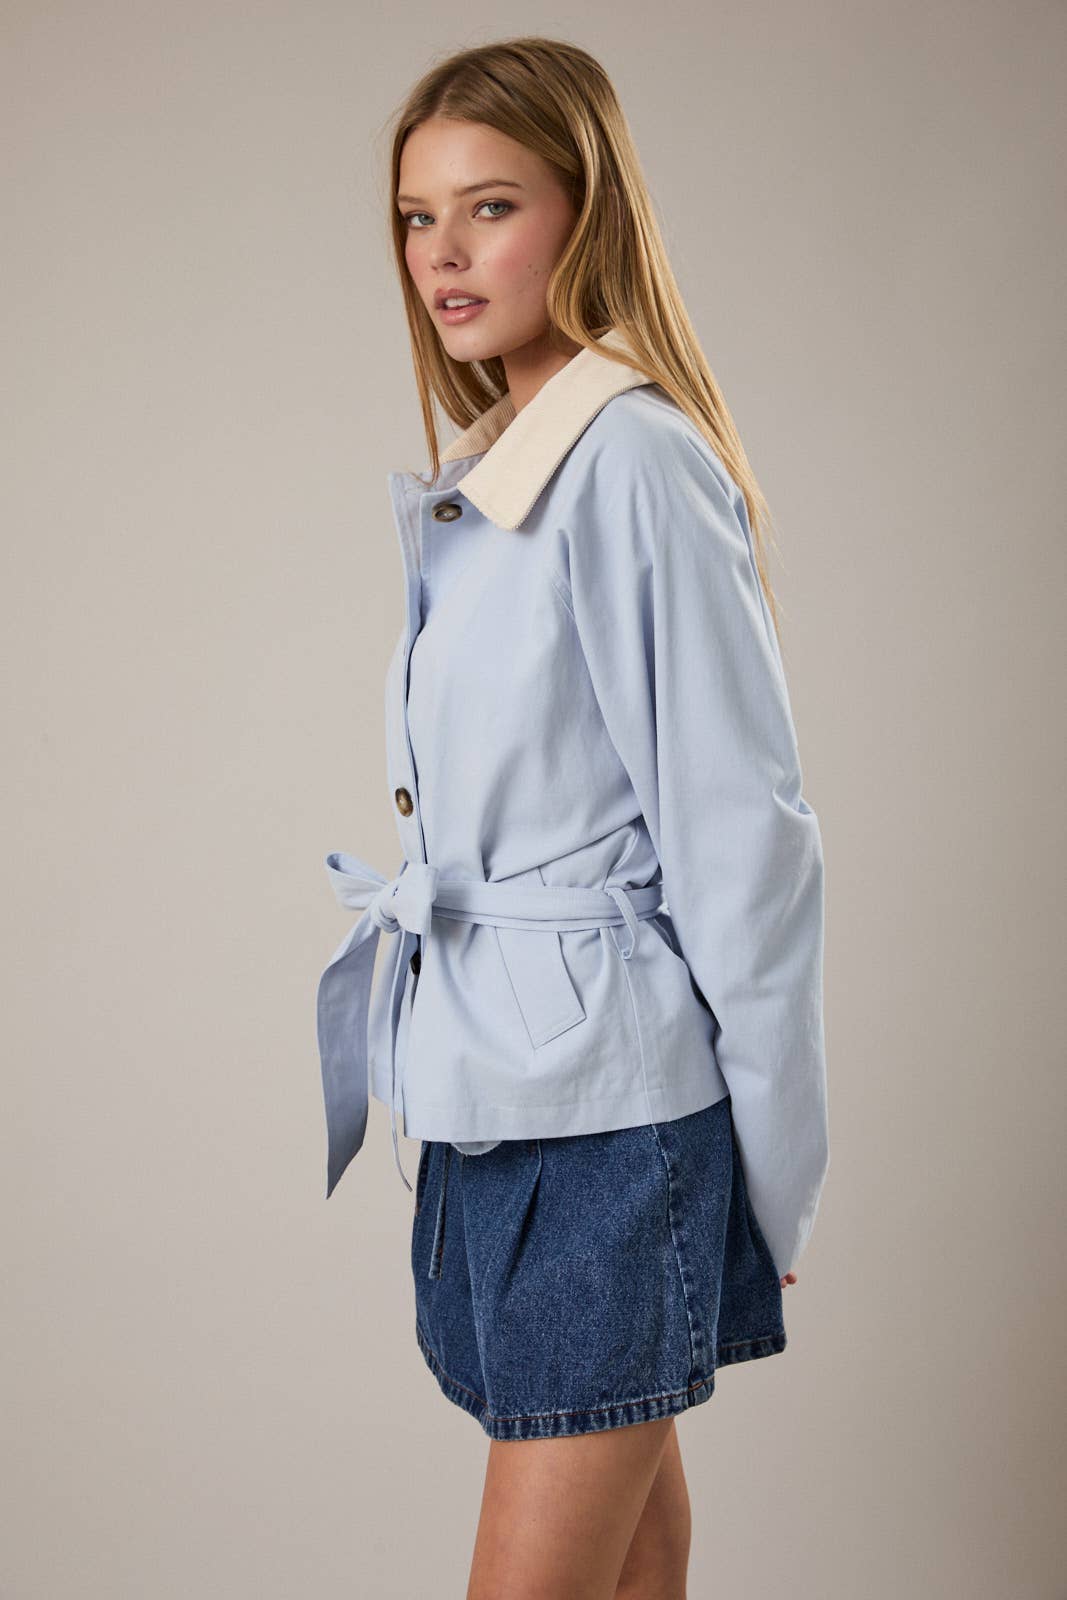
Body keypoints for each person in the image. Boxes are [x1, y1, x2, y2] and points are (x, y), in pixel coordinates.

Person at [315, 34, 830, 1600]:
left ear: (585, 213)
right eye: (417, 218)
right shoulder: (495, 474)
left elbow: (747, 844)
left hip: (608, 1127)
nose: (444, 256)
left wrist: (777, 1163)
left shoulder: (633, 465)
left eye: (490, 208)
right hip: (499, 1102)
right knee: (636, 1562)